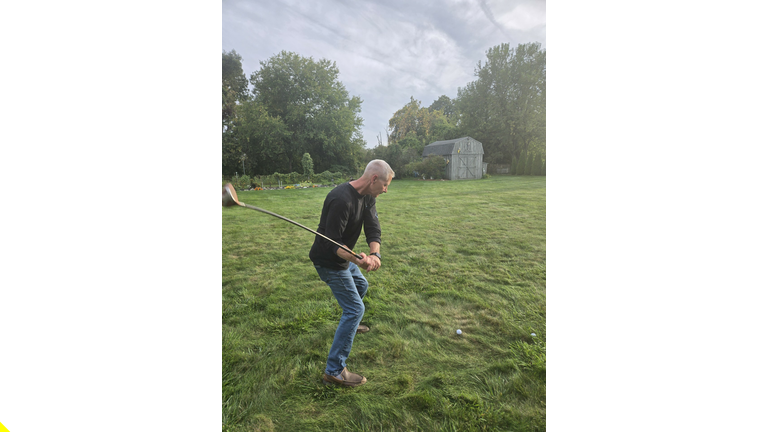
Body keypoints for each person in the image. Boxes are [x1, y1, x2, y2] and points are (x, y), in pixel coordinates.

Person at [309, 159, 394, 387]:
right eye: (385, 185)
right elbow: (333, 244)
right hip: (329, 261)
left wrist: (375, 255)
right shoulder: (340, 199)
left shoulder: (368, 197)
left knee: (362, 286)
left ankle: (351, 325)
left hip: (344, 258)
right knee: (355, 308)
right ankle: (334, 371)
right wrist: (359, 260)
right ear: (374, 179)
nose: (386, 190)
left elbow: (373, 227)